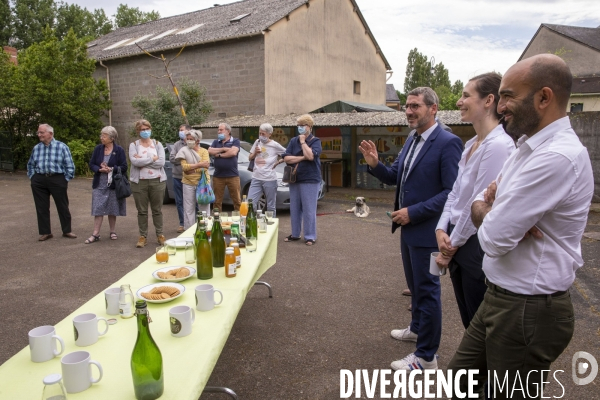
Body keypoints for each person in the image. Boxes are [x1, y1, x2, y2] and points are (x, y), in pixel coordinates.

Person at [448, 54, 594, 399]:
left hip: (528, 308)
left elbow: (495, 239)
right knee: (458, 383)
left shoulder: (556, 157)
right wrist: (491, 209)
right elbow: (481, 202)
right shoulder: (525, 148)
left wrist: (492, 212)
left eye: (509, 96)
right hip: (500, 297)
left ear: (544, 98)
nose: (500, 106)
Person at [359, 87, 462, 371]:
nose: (408, 111)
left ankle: (426, 357)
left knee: (428, 292)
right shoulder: (412, 139)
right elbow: (395, 176)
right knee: (417, 289)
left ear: (433, 109)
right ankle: (417, 329)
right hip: (407, 231)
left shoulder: (448, 142)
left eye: (415, 106)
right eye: (407, 105)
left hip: (430, 232)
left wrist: (413, 212)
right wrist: (375, 164)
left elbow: (452, 193)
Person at [434, 73, 515, 328]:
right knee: (469, 324)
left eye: (466, 95)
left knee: (481, 329)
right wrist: (440, 228)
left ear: (489, 100)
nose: (459, 102)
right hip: (459, 242)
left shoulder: (498, 146)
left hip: (474, 246)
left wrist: (450, 246)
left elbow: (478, 205)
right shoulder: (471, 144)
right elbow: (456, 194)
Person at [27, 124, 77, 241]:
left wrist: (65, 179)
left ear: (50, 133)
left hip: (57, 179)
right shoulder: (37, 148)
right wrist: (33, 177)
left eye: (41, 133)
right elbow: (30, 164)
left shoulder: (62, 147)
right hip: (39, 180)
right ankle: (45, 232)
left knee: (62, 206)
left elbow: (70, 165)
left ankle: (67, 230)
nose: (39, 135)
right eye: (38, 133)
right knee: (41, 207)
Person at [283, 114, 322, 246]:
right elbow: (286, 158)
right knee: (294, 208)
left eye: (302, 125)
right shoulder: (293, 140)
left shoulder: (315, 141)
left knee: (309, 209)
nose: (299, 128)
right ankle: (295, 234)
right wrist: (302, 158)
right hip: (294, 178)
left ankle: (310, 236)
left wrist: (303, 142)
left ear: (309, 127)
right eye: (298, 125)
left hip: (310, 179)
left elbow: (310, 156)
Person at [85, 126, 128, 244]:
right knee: (98, 208)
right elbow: (92, 164)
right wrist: (99, 169)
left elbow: (124, 167)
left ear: (112, 138)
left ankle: (112, 231)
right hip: (100, 183)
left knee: (112, 208)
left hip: (113, 183)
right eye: (101, 135)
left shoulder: (119, 150)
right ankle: (95, 233)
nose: (101, 137)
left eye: (104, 136)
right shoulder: (98, 149)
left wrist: (111, 169)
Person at [129, 119, 167, 248]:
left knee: (157, 210)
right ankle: (142, 236)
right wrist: (151, 158)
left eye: (147, 129)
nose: (145, 131)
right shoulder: (133, 145)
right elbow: (135, 162)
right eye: (142, 130)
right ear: (138, 131)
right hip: (139, 182)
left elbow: (161, 163)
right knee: (142, 211)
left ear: (150, 129)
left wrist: (143, 160)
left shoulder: (157, 144)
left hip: (157, 180)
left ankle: (160, 235)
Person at [248, 123, 286, 217]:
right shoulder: (257, 142)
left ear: (270, 134)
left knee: (270, 206)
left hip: (269, 179)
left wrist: (278, 161)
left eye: (263, 134)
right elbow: (250, 157)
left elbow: (288, 154)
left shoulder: (275, 145)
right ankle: (253, 224)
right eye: (260, 133)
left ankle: (271, 227)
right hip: (256, 178)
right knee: (251, 203)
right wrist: (255, 153)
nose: (261, 136)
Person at [176, 129, 211, 229]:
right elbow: (184, 168)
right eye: (188, 139)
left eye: (192, 139)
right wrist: (199, 165)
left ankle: (205, 229)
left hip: (203, 183)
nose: (189, 141)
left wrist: (192, 168)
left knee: (204, 208)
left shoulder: (204, 151)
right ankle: (189, 231)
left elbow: (206, 166)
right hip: (188, 183)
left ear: (198, 140)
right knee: (188, 209)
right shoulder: (183, 151)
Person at [208, 123, 241, 212]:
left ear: (228, 131)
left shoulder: (235, 141)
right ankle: (217, 221)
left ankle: (240, 219)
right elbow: (210, 150)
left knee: (237, 200)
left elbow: (233, 152)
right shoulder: (216, 142)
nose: (219, 131)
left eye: (221, 130)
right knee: (217, 201)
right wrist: (223, 149)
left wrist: (218, 155)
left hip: (233, 175)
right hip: (218, 176)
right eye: (218, 130)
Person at [170, 124, 191, 233]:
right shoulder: (177, 144)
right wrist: (184, 160)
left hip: (191, 178)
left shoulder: (193, 143)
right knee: (179, 201)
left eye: (182, 130)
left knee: (192, 201)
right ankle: (182, 223)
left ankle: (194, 222)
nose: (180, 132)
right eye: (179, 130)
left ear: (188, 131)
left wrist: (182, 158)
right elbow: (172, 158)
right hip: (177, 177)